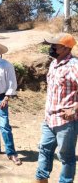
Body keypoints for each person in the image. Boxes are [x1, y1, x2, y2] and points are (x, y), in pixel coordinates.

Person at [34, 33, 78, 183]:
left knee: (66, 157)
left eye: (55, 45)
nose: (51, 48)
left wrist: (75, 108)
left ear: (66, 48)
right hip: (49, 119)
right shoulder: (53, 63)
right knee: (44, 150)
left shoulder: (74, 65)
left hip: (66, 122)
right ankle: (41, 180)